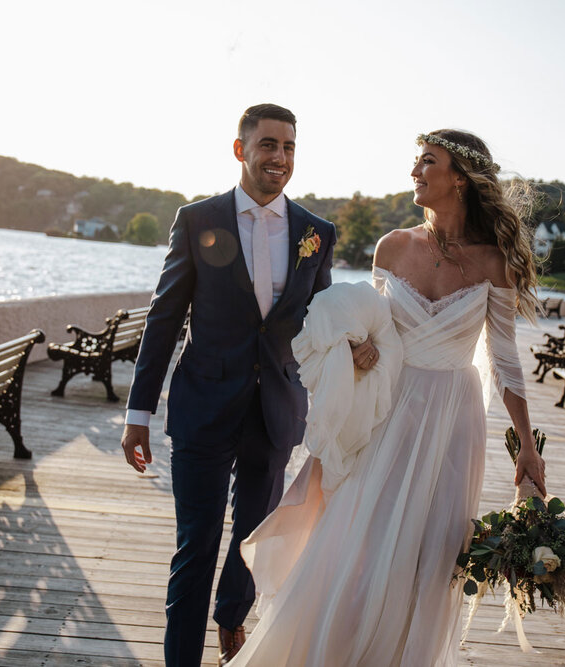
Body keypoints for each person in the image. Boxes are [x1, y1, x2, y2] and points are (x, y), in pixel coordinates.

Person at [228, 129, 547, 665]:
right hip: (386, 409)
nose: (415, 171)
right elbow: (372, 328)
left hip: (453, 418)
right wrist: (357, 349)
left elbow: (506, 360)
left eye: (428, 162)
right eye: (416, 161)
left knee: (432, 553)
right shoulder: (393, 247)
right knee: (360, 537)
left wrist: (528, 449)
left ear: (461, 178)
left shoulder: (496, 263)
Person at [119, 103, 345, 666]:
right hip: (204, 408)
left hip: (276, 413)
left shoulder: (316, 232)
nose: (280, 158)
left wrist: (355, 345)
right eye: (268, 145)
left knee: (255, 540)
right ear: (241, 149)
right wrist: (138, 413)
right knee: (195, 548)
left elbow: (321, 320)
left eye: (289, 147)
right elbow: (164, 318)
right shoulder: (198, 220)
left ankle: (231, 619)